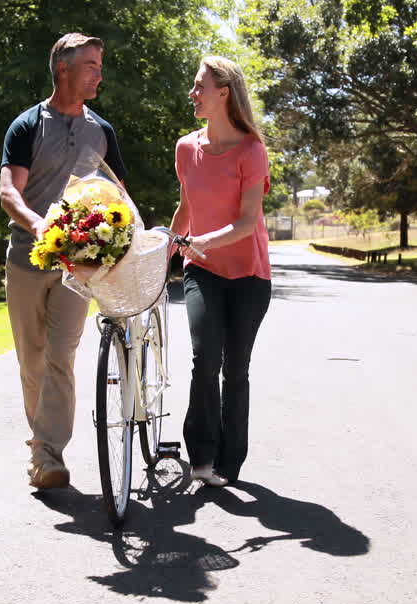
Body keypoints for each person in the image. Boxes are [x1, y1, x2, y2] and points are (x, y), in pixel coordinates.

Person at [0, 33, 127, 489]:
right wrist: (37, 224)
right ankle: (41, 446)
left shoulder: (102, 131)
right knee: (31, 361)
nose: (99, 72)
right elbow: (9, 191)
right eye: (91, 64)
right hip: (25, 260)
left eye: (99, 63)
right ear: (64, 70)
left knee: (61, 356)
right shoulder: (27, 125)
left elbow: (120, 196)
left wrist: (124, 238)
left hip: (78, 267)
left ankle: (49, 455)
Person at [170, 56, 272, 489]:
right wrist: (165, 252)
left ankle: (230, 462)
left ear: (224, 93)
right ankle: (202, 456)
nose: (192, 94)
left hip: (249, 275)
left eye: (199, 87)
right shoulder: (185, 148)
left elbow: (248, 221)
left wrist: (203, 241)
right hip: (203, 270)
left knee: (236, 369)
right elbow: (186, 209)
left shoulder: (251, 150)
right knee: (205, 357)